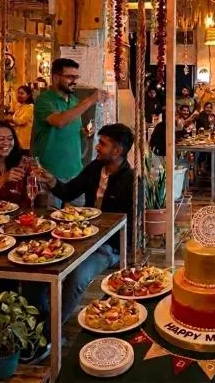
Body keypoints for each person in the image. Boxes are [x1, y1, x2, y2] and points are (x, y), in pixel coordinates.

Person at [41, 124, 135, 323]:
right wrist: (51, 181)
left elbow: (130, 227)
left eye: (103, 144)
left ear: (117, 151)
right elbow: (68, 192)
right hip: (84, 237)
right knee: (45, 262)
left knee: (77, 276)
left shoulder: (131, 180)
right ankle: (43, 318)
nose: (97, 147)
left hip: (111, 247)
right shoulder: (95, 168)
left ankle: (52, 329)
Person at [32, 58, 106, 207]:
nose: (74, 81)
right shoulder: (44, 100)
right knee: (51, 217)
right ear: (55, 77)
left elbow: (71, 129)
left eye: (76, 77)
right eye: (70, 77)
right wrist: (90, 101)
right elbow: (59, 122)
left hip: (75, 172)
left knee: (81, 218)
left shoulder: (74, 101)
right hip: (50, 173)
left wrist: (84, 133)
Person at [10, 85, 34, 150]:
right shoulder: (18, 106)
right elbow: (15, 121)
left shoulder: (30, 107)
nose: (19, 95)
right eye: (18, 93)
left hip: (25, 140)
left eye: (22, 93)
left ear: (28, 95)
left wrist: (9, 119)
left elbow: (21, 121)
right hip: (17, 139)